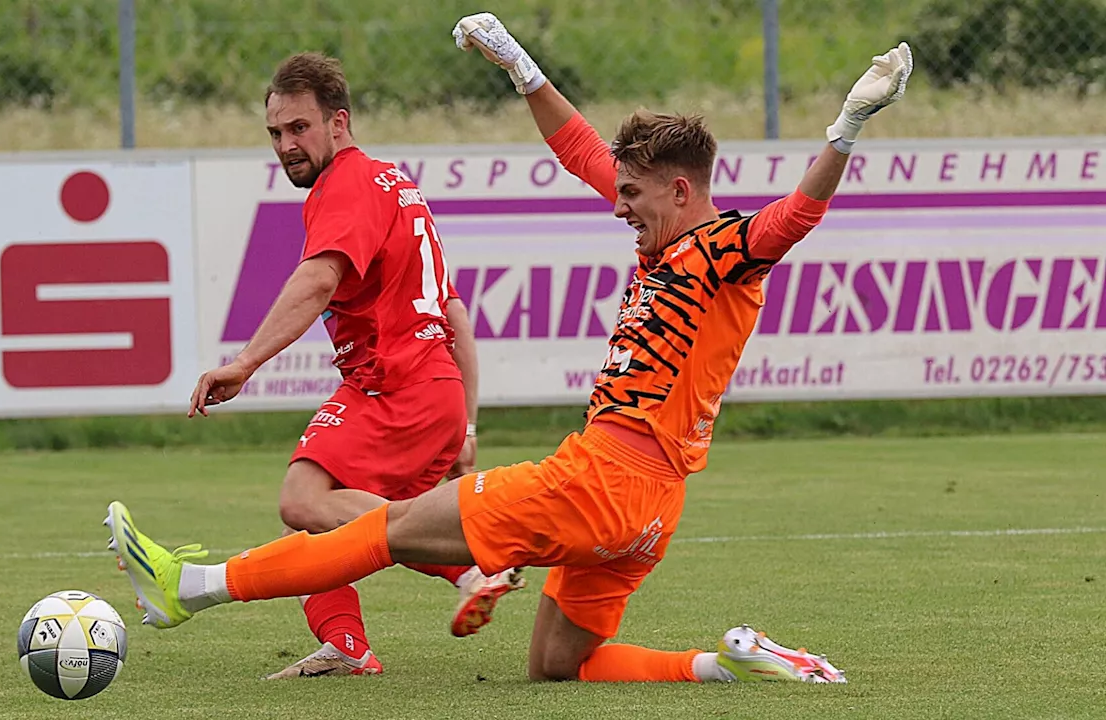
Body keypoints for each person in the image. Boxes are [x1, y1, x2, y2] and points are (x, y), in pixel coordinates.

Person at [105, 15, 912, 684]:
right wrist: (521, 67)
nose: (619, 207)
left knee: (384, 529)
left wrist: (847, 123)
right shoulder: (665, 238)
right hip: (651, 511)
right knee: (559, 668)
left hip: (601, 477)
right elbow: (583, 151)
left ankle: (192, 589)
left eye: (632, 196)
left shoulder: (732, 246)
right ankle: (727, 662)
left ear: (680, 190)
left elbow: (799, 213)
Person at [179, 51, 524, 679]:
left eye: (299, 129)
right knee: (337, 516)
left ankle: (473, 564)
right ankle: (346, 643)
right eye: (275, 134)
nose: (286, 145)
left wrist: (246, 362)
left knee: (306, 498)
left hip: (395, 384)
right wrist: (466, 425)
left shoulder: (346, 183)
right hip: (435, 389)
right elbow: (457, 316)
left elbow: (316, 281)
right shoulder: (395, 182)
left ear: (339, 122)